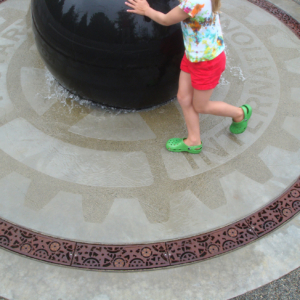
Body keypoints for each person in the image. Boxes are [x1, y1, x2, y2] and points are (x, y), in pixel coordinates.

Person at [125, 0, 252, 154]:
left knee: (201, 106)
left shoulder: (194, 3)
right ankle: (193, 141)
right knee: (184, 98)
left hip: (207, 62)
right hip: (194, 55)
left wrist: (146, 9)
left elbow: (165, 20)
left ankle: (240, 113)